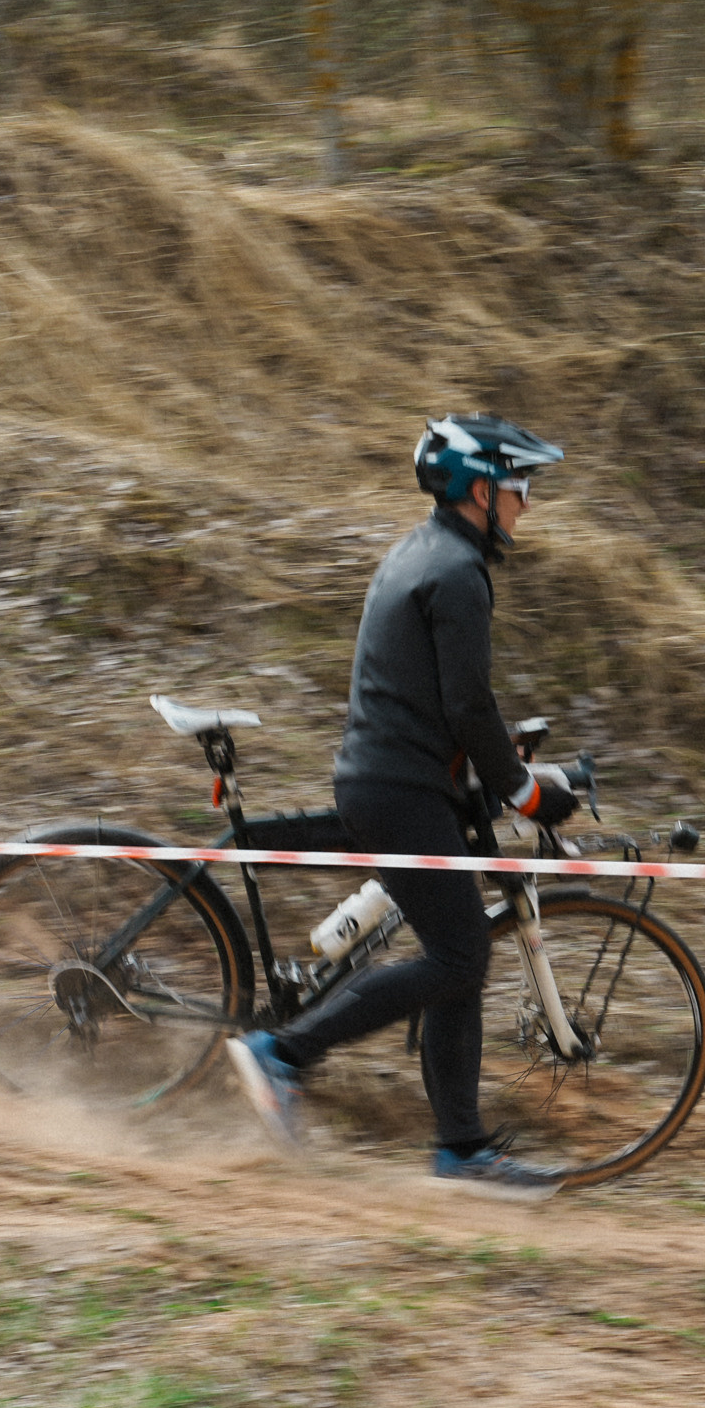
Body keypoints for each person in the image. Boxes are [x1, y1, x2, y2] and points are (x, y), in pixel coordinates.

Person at [224, 412, 583, 1201]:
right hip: (400, 789)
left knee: (460, 959)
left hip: (402, 781)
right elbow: (467, 707)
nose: (526, 503)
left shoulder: (424, 553)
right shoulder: (458, 574)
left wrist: (500, 768)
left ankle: (461, 1152)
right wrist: (525, 793)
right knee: (458, 956)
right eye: (519, 487)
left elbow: (445, 704)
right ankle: (284, 1054)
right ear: (479, 491)